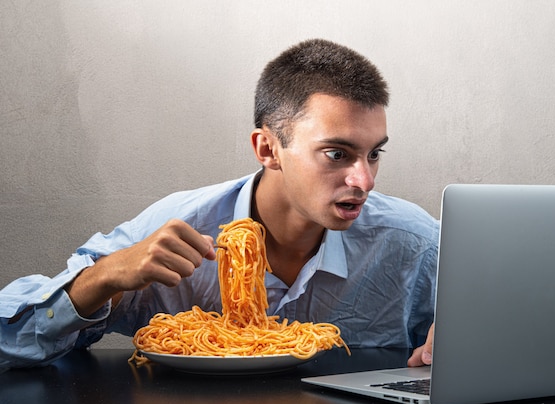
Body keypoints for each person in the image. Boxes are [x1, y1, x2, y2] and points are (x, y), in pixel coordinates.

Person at [0, 39, 438, 371]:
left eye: (374, 154)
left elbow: (489, 338)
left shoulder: (414, 242)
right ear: (267, 149)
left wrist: (468, 341)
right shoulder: (179, 224)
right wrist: (105, 275)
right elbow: (9, 339)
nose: (364, 180)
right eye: (337, 154)